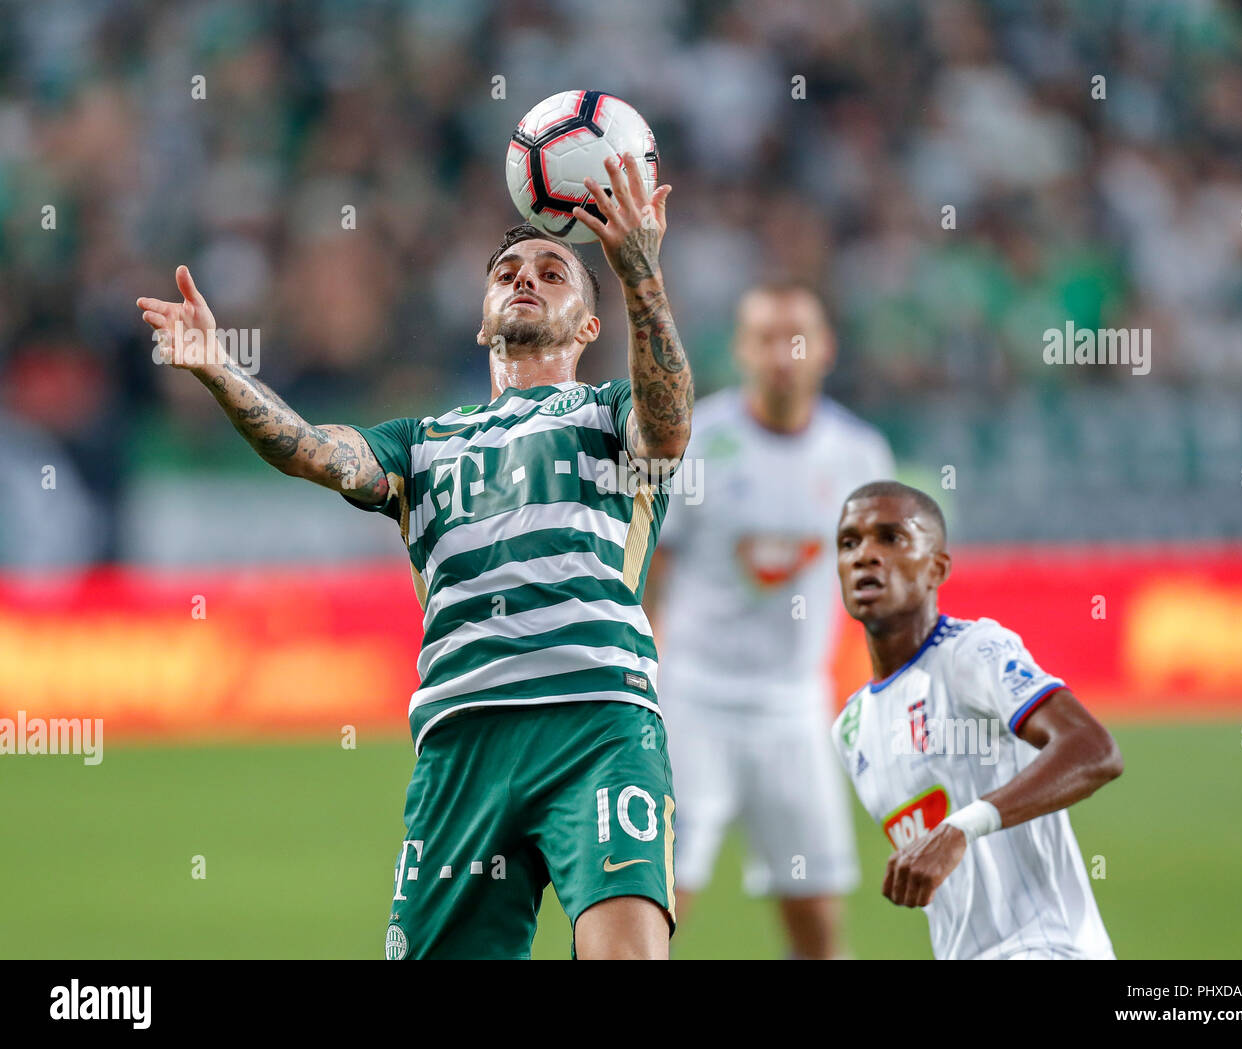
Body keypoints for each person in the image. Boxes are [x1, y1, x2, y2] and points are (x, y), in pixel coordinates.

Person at [135, 154, 692, 960]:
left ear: (589, 326)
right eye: (506, 271)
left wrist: (639, 272)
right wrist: (220, 370)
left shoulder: (611, 414)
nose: (524, 279)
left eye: (551, 271)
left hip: (596, 720)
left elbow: (670, 425)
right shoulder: (422, 443)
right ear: (480, 317)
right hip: (460, 741)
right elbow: (314, 453)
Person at [646, 282, 894, 959]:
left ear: (826, 349)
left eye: (797, 337)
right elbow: (652, 574)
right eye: (765, 338)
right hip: (694, 699)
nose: (782, 355)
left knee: (816, 921)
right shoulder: (699, 442)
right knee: (657, 904)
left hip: (793, 709)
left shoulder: (860, 455)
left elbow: (881, 592)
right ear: (741, 350)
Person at [833, 480, 1122, 959]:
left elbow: (1095, 750)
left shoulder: (973, 654)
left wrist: (961, 827)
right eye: (850, 542)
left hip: (1047, 948)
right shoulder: (850, 729)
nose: (866, 554)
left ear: (937, 568)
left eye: (891, 538)